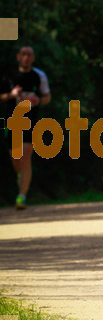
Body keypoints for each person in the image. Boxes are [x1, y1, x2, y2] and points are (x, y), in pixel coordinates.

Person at [0, 44, 51, 209]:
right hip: (13, 121)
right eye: (23, 54)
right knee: (16, 160)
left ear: (33, 58)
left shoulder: (39, 76)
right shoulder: (9, 76)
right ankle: (20, 178)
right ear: (18, 57)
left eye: (29, 54)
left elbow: (47, 97)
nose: (26, 57)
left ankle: (21, 197)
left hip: (31, 122)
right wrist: (11, 95)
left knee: (26, 156)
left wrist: (38, 101)